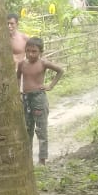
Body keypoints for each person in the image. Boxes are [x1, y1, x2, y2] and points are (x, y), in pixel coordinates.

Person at [17, 36, 63, 165]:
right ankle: (27, 159)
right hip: (26, 98)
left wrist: (50, 86)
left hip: (39, 98)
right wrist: (18, 92)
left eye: (34, 51)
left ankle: (42, 159)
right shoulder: (22, 64)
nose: (30, 54)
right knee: (27, 129)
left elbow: (60, 71)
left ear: (40, 52)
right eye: (28, 51)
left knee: (41, 129)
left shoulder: (43, 63)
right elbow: (17, 77)